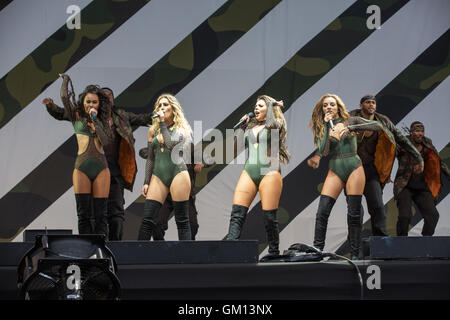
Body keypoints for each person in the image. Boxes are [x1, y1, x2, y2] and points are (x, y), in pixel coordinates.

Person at [45, 86, 153, 240]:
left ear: (112, 100)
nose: (107, 98)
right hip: (89, 167)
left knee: (115, 214)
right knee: (90, 212)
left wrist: (156, 117)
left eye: (110, 96)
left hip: (113, 172)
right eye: (104, 96)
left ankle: (114, 246)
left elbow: (141, 118)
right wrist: (51, 106)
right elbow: (64, 112)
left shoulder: (120, 116)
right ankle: (90, 248)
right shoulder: (83, 117)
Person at [307, 94, 382, 259]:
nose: (329, 107)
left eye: (332, 104)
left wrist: (350, 129)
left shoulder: (352, 120)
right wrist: (327, 128)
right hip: (335, 167)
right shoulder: (323, 127)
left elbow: (378, 125)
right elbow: (324, 151)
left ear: (338, 106)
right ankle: (317, 251)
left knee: (354, 214)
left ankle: (355, 254)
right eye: (325, 105)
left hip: (354, 166)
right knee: (322, 212)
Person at [43, 74, 112, 235]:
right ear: (83, 102)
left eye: (94, 102)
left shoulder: (104, 120)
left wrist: (96, 122)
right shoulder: (76, 117)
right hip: (81, 167)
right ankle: (85, 250)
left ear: (99, 103)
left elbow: (106, 142)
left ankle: (101, 249)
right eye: (88, 101)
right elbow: (64, 96)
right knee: (83, 215)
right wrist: (66, 80)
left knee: (101, 215)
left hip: (101, 168)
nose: (91, 104)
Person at [225, 95, 290, 258]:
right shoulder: (250, 128)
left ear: (268, 109)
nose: (256, 108)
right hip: (250, 171)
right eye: (255, 106)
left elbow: (272, 124)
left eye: (261, 106)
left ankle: (273, 252)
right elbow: (236, 146)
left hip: (269, 171)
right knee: (237, 213)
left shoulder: (276, 123)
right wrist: (241, 126)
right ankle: (229, 250)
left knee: (269, 217)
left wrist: (273, 105)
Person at [349, 95, 423, 236]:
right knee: (355, 210)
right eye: (367, 102)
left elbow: (401, 138)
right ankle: (355, 246)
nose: (371, 105)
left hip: (371, 169)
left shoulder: (383, 121)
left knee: (377, 206)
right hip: (352, 169)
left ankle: (380, 241)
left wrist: (418, 156)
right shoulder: (350, 118)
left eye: (373, 102)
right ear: (361, 105)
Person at [139, 94, 193, 241]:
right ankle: (137, 257)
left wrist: (162, 123)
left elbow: (170, 145)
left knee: (182, 221)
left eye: (166, 105)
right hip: (158, 174)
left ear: (173, 108)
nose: (162, 108)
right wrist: (146, 181)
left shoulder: (182, 129)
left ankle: (186, 261)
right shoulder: (153, 131)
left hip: (178, 173)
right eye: (160, 105)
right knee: (147, 220)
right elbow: (150, 157)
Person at [394, 121, 450, 236]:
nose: (420, 134)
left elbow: (439, 162)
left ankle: (425, 241)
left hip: (422, 187)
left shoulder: (427, 144)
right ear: (411, 132)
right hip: (404, 186)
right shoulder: (403, 143)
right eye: (417, 131)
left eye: (421, 131)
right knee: (405, 217)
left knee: (433, 216)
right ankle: (400, 243)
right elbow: (389, 155)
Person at [138, 142, 203, 240]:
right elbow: (143, 152)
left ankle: (187, 251)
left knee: (192, 226)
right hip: (165, 194)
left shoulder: (189, 147)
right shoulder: (161, 145)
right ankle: (160, 249)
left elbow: (204, 159)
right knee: (156, 223)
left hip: (184, 194)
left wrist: (199, 163)